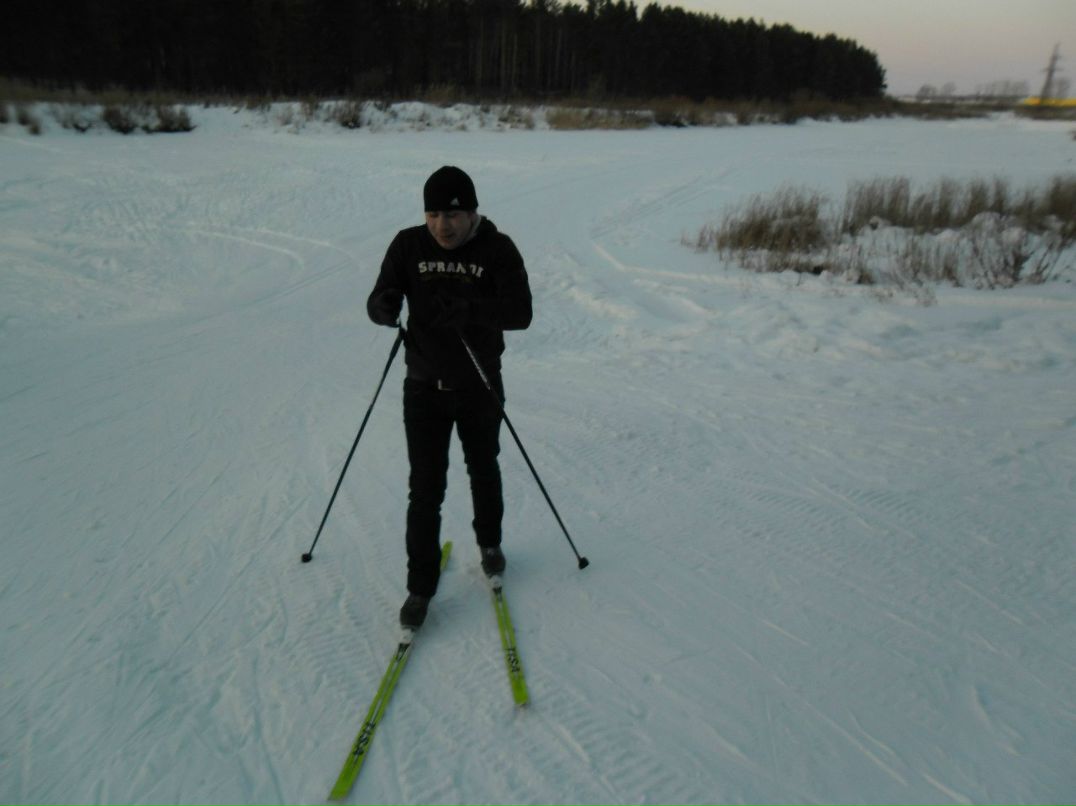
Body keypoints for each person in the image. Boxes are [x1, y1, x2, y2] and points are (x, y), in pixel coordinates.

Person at [367, 166, 533, 630]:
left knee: (484, 467)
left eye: (454, 214)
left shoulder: (498, 249)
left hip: (479, 384)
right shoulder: (408, 245)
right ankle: (419, 588)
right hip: (423, 387)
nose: (443, 225)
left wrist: (471, 311)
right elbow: (379, 295)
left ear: (472, 213)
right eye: (434, 214)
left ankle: (490, 543)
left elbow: (521, 313)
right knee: (425, 489)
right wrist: (382, 307)